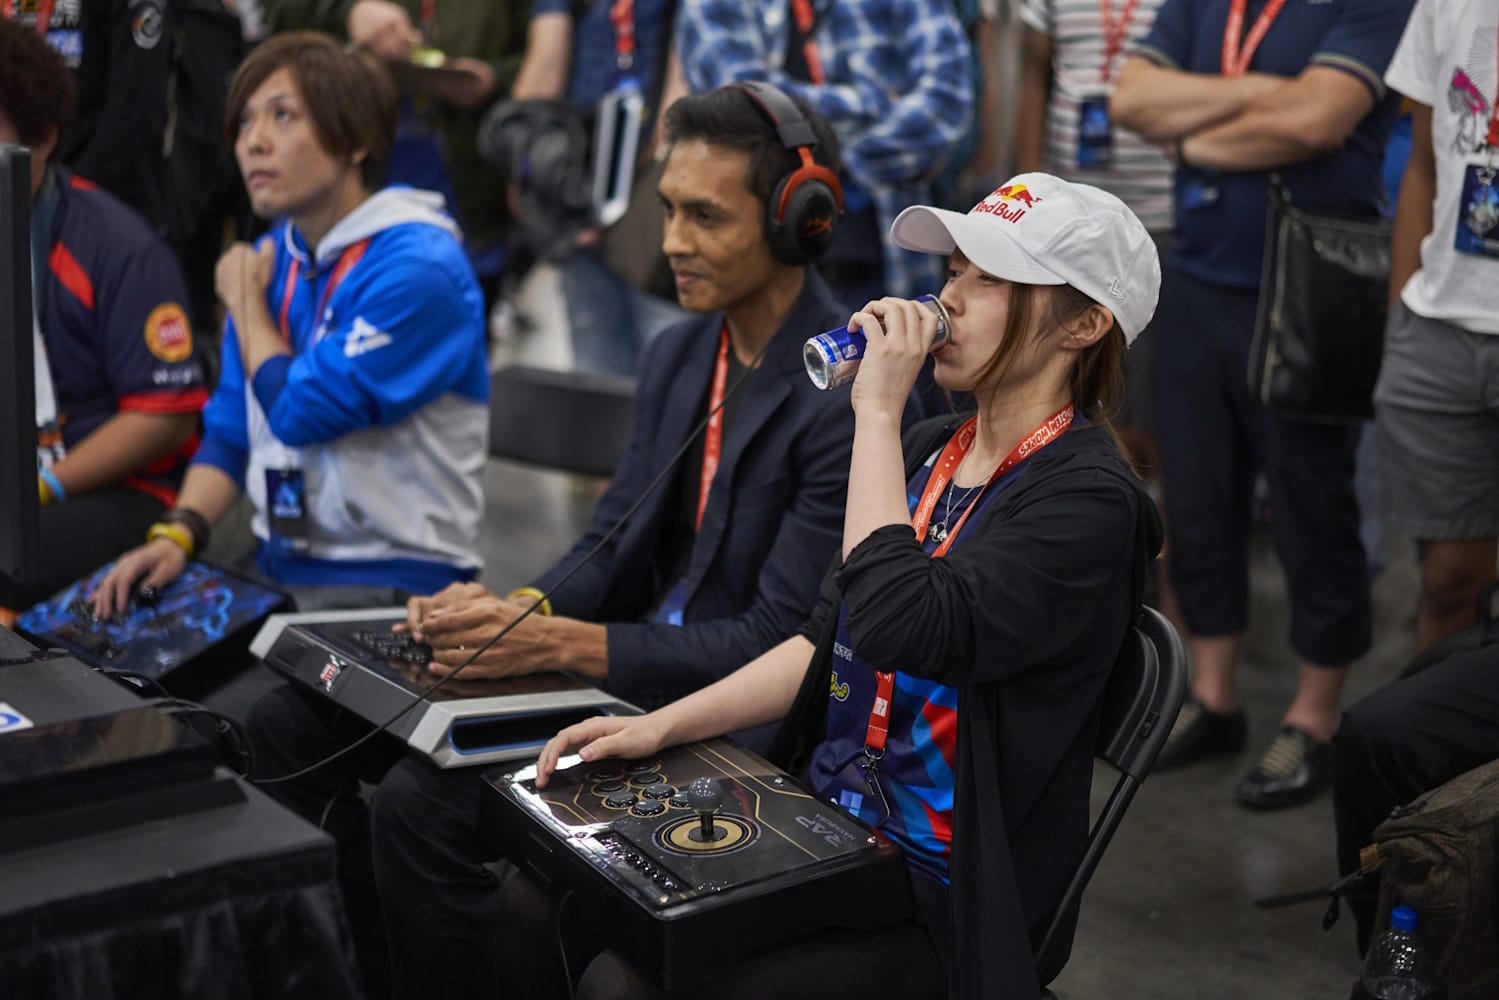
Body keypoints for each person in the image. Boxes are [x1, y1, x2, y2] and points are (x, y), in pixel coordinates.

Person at [250, 84, 857, 999]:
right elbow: (609, 539)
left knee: (421, 806)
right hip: (625, 669)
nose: (671, 241)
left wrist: (557, 644)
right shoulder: (681, 354)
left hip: (725, 718)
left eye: (704, 216)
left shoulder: (845, 392)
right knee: (286, 723)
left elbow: (776, 639)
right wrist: (516, 611)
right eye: (666, 210)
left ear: (796, 221)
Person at [504, 172, 1164, 1000]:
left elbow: (898, 625)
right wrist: (658, 727)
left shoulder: (1090, 504)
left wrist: (876, 413)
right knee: (542, 897)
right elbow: (824, 638)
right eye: (952, 271)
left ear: (1084, 323)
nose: (948, 300)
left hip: (936, 888)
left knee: (625, 981)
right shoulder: (930, 448)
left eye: (989, 279)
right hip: (825, 823)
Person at [1109, 0, 1409, 808]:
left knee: (1314, 504)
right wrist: (1264, 94)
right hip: (1197, 279)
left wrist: (1193, 137)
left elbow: (1319, 118)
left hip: (1309, 283)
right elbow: (1130, 98)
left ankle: (1313, 717)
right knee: (1198, 499)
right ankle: (1213, 699)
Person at [91, 31, 489, 618]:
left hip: (400, 583)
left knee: (230, 684)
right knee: (116, 638)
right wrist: (179, 533)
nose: (253, 142)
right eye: (245, 122)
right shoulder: (272, 259)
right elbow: (231, 427)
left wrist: (245, 304)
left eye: (282, 115)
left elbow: (302, 414)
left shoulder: (420, 267)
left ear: (356, 140)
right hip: (278, 565)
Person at [0, 16, 206, 614]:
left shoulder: (118, 247)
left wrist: (42, 486)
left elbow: (166, 416)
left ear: (42, 140)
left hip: (119, 489)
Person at [260, 0, 532, 304]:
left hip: (468, 190)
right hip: (340, 190)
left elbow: (542, 54)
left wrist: (494, 79)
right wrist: (348, 10)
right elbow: (276, 14)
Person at [1374, 0, 1499, 651]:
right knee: (1448, 581)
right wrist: (1402, 311)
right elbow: (1422, 166)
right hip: (1437, 332)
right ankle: (1441, 716)